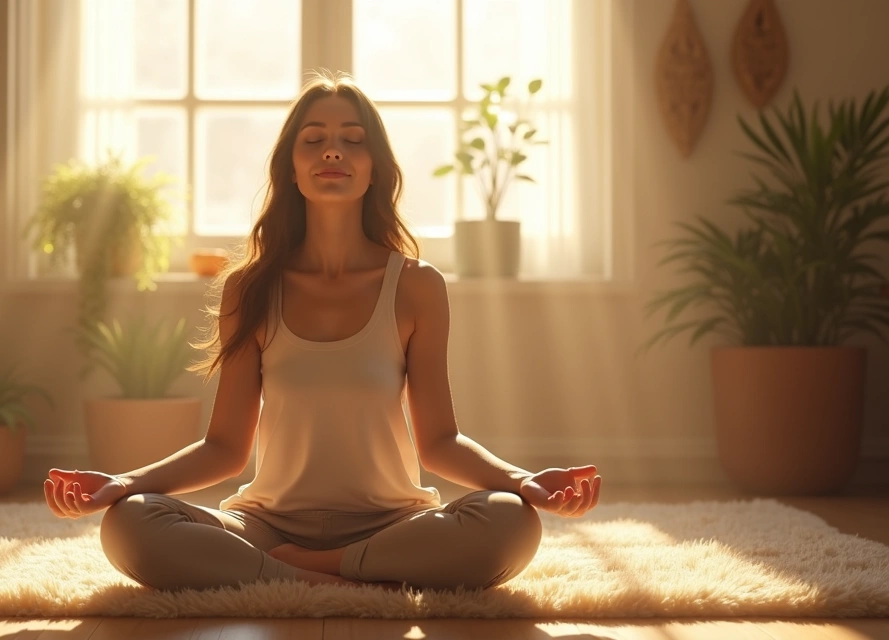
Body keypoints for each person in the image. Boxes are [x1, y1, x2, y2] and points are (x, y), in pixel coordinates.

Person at [42, 70, 602, 592]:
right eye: (314, 140)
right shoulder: (249, 288)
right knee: (130, 523)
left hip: (392, 524)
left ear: (376, 166)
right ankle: (336, 575)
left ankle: (305, 573)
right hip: (267, 524)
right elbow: (224, 449)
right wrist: (123, 483)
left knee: (510, 521)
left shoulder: (416, 286)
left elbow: (439, 442)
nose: (333, 150)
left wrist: (524, 480)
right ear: (290, 166)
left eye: (353, 139)